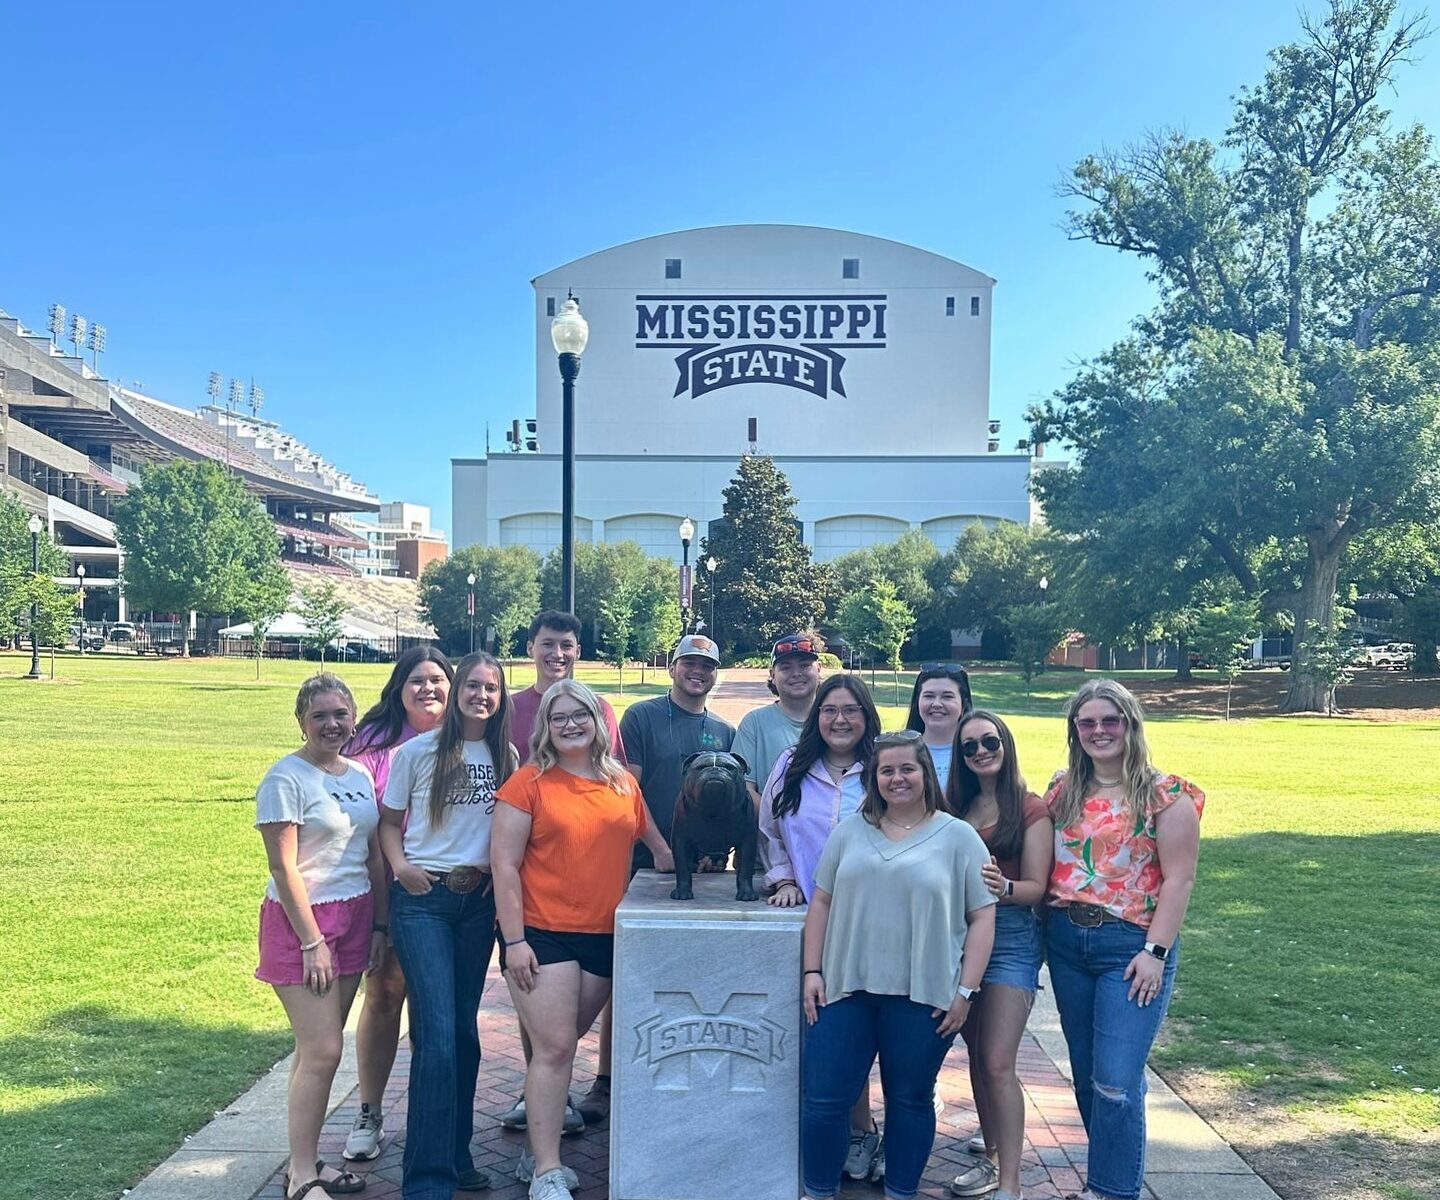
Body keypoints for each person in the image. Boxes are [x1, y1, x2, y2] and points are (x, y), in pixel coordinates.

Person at [800, 732, 995, 1200]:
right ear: (874, 777)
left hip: (923, 995)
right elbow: (821, 903)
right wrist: (812, 971)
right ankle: (818, 1191)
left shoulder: (958, 837)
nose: (897, 778)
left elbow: (982, 916)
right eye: (886, 770)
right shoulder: (849, 831)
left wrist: (966, 991)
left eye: (907, 768)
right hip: (845, 988)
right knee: (825, 1101)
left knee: (909, 1101)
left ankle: (901, 1191)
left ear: (926, 773)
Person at [1043, 680, 1203, 1200]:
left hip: (1131, 948)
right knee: (1090, 1077)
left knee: (1116, 1079)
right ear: (1075, 731)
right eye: (1086, 723)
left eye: (1109, 720)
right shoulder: (1063, 790)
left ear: (1131, 724)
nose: (1098, 731)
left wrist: (1155, 953)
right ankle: (1106, 1182)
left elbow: (1179, 880)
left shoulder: (1166, 795)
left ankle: (1113, 1192)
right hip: (1067, 943)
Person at [492, 680, 650, 1200]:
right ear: (545, 727)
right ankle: (547, 1170)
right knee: (557, 1047)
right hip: (541, 935)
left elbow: (656, 847)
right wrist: (514, 941)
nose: (569, 725)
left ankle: (534, 1150)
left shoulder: (623, 784)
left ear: (597, 720)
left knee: (556, 1047)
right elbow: (504, 866)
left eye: (579, 715)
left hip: (604, 937)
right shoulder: (528, 783)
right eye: (558, 718)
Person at [379, 652, 515, 1200]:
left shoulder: (506, 755)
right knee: (435, 1037)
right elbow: (389, 825)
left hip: (476, 904)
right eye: (473, 685)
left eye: (492, 688)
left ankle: (456, 1155)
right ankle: (427, 1179)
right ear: (457, 688)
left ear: (501, 698)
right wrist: (403, 868)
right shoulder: (417, 752)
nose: (481, 695)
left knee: (462, 1032)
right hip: (424, 902)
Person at [255, 674, 386, 1200]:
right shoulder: (285, 778)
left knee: (313, 1052)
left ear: (354, 716)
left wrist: (379, 925)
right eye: (320, 716)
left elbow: (372, 853)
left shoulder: (357, 772)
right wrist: (312, 941)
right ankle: (302, 1178)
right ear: (301, 721)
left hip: (357, 915)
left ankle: (303, 1160)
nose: (332, 724)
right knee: (325, 1050)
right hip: (303, 922)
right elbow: (284, 869)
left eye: (341, 714)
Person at [759, 673, 886, 1181]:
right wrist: (782, 876)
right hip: (806, 920)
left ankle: (862, 1132)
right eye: (830, 710)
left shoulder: (882, 769)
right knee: (809, 1033)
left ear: (866, 717)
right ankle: (808, 1134)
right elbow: (768, 826)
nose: (840, 719)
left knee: (853, 1038)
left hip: (870, 926)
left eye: (851, 710)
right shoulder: (791, 766)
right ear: (817, 716)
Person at [500, 610, 623, 1133]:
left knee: (558, 1035)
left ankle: (545, 1101)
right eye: (548, 644)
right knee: (549, 1028)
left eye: (567, 645)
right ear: (531, 647)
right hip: (528, 887)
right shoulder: (507, 710)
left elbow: (612, 785)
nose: (557, 653)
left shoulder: (603, 710)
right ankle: (542, 1113)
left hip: (589, 906)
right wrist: (513, 937)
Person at [342, 647, 454, 1164]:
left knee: (437, 1009)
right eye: (417, 680)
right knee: (384, 995)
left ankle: (430, 1118)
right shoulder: (372, 741)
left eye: (437, 679)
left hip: (446, 893)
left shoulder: (467, 737)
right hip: (385, 885)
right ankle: (369, 1111)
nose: (428, 688)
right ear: (399, 686)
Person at [945, 710, 1053, 1200]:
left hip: (1011, 938)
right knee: (975, 1053)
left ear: (1005, 745)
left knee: (996, 1060)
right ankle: (990, 1155)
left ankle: (1011, 1182)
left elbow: (1036, 887)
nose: (981, 751)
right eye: (969, 747)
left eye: (989, 741)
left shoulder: (1029, 809)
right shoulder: (955, 808)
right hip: (962, 938)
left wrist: (1003, 886)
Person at [619, 633, 731, 870]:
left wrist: (716, 852)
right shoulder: (640, 717)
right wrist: (661, 850)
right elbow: (627, 789)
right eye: (689, 663)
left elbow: (729, 802)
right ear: (672, 669)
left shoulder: (726, 731)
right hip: (647, 858)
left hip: (702, 865)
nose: (698, 671)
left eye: (707, 665)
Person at [733, 631, 823, 810]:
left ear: (819, 669)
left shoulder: (835, 721)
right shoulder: (754, 723)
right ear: (772, 675)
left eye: (805, 665)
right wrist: (784, 827)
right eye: (785, 667)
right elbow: (744, 789)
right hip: (773, 835)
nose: (796, 673)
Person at [902, 663, 973, 792]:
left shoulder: (979, 751)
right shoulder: (900, 752)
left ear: (963, 704)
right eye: (929, 696)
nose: (936, 704)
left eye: (947, 697)